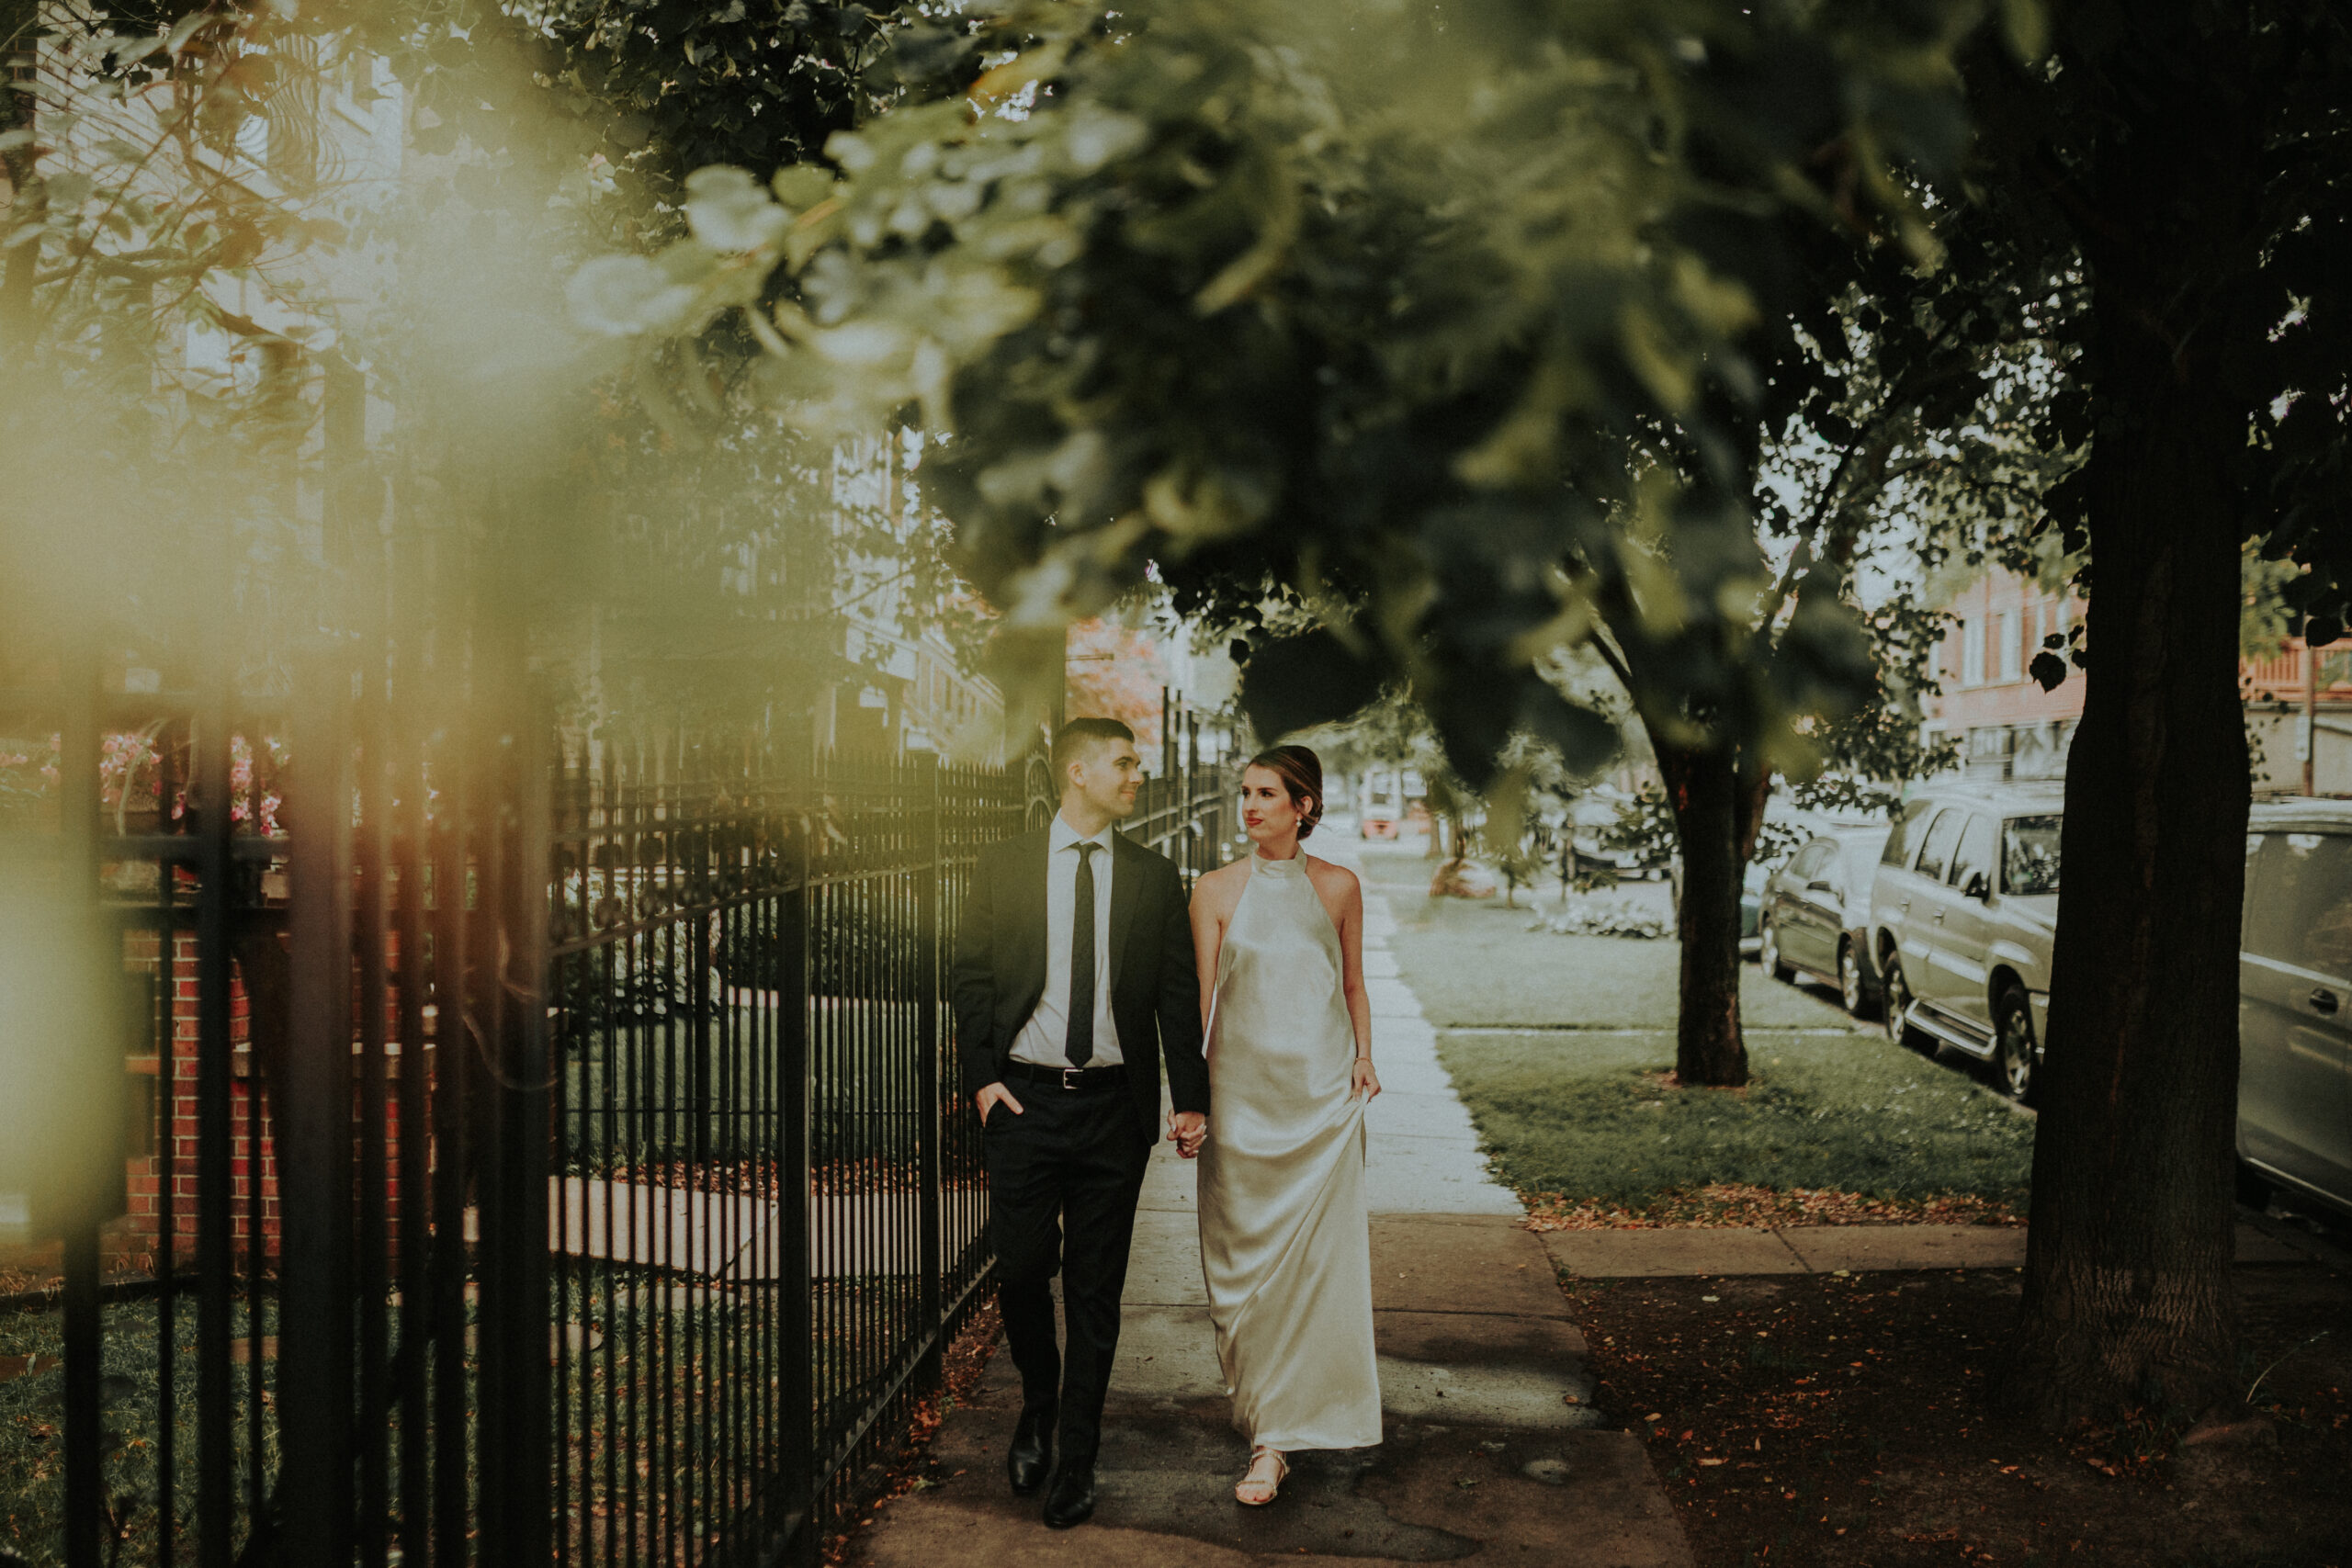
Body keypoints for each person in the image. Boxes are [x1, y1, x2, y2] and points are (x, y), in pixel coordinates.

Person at [950, 716, 1211, 1529]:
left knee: (1097, 1291)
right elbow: (973, 976)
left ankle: (1078, 1451)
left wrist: (1190, 1096)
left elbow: (1175, 994)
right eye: (1125, 763)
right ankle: (1037, 1397)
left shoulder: (1152, 875)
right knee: (1023, 1267)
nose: (1138, 775)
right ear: (1078, 770)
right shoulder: (1005, 863)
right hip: (1025, 1103)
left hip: (1111, 1112)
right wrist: (984, 1079)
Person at [1188, 743, 1383, 1506]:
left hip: (1321, 1105)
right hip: (1242, 1107)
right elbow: (1199, 1003)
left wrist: (1365, 1056)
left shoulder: (1338, 886)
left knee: (1315, 1274)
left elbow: (1354, 982)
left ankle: (1275, 1441)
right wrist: (1191, 1096)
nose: (1250, 806)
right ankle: (1263, 1410)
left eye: (1266, 793)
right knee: (1244, 1277)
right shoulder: (1212, 890)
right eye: (1245, 792)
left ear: (1303, 805)